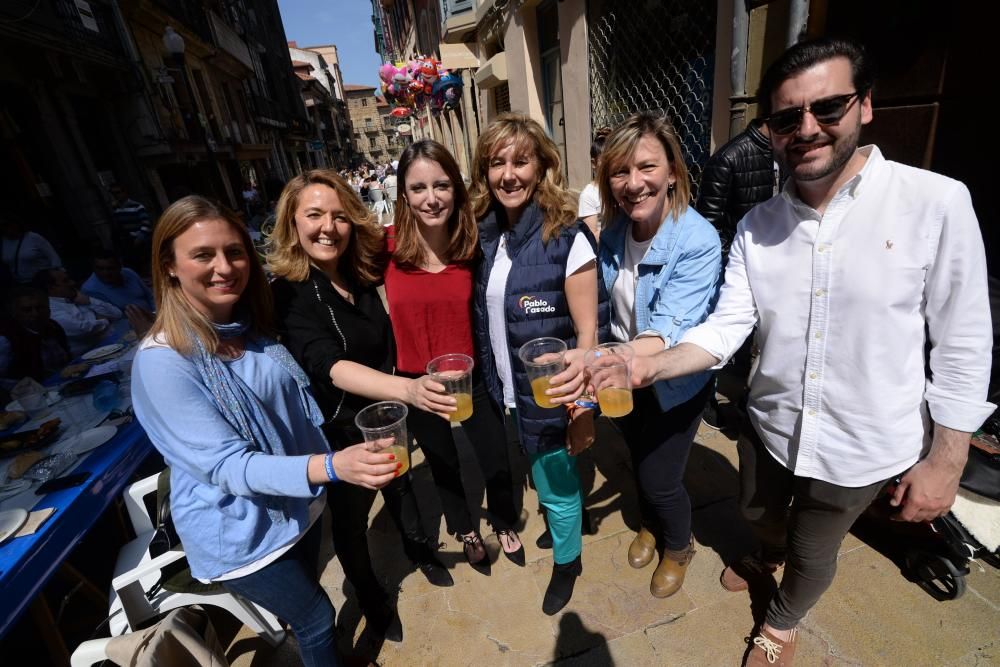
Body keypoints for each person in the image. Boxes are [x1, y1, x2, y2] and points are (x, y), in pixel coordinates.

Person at [627, 37, 993, 666]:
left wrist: (947, 460)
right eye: (786, 117)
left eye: (827, 108)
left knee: (815, 550)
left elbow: (964, 339)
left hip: (864, 445)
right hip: (770, 428)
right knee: (758, 516)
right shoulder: (758, 225)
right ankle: (767, 551)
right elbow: (726, 327)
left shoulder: (935, 202)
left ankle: (782, 621)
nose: (807, 129)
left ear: (865, 105)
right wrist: (650, 362)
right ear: (768, 129)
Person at [130, 195, 398, 667]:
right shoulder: (164, 361)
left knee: (310, 600)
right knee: (316, 618)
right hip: (240, 529)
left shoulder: (247, 325)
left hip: (297, 505)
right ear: (169, 265)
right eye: (203, 255)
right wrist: (333, 464)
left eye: (234, 252)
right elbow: (225, 464)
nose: (224, 267)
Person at [267, 170, 452, 644]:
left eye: (339, 216)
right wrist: (407, 391)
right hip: (341, 428)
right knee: (350, 522)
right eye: (314, 215)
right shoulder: (289, 291)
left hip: (387, 412)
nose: (328, 227)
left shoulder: (358, 271)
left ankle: (420, 550)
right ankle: (370, 596)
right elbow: (328, 365)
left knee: (403, 484)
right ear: (292, 222)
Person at [469, 113, 606, 615]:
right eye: (497, 162)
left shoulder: (567, 237)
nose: (508, 174)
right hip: (507, 393)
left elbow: (592, 333)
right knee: (546, 479)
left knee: (559, 485)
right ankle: (561, 529)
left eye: (521, 161)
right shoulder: (485, 237)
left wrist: (584, 407)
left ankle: (569, 563)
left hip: (555, 394)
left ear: (542, 166)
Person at [596, 112, 721, 599]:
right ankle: (649, 523)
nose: (634, 183)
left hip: (673, 380)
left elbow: (667, 326)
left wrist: (614, 362)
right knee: (634, 451)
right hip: (625, 378)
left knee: (659, 474)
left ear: (672, 171)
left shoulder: (697, 240)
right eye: (620, 172)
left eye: (646, 167)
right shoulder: (613, 233)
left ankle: (678, 545)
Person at [385, 140, 524, 569]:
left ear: (456, 189)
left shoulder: (472, 244)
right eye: (419, 188)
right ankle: (464, 527)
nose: (431, 198)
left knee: (495, 458)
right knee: (444, 464)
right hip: (418, 383)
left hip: (471, 376)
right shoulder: (384, 246)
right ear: (404, 195)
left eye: (441, 185)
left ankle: (503, 519)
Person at [695, 117, 780, 429]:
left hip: (776, 264)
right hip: (735, 268)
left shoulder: (786, 153)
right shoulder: (728, 159)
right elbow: (708, 225)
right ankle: (708, 405)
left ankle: (747, 400)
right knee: (727, 340)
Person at [35, 267, 122, 356]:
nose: (73, 283)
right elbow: (81, 329)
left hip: (113, 339)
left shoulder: (77, 297)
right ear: (51, 288)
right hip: (90, 353)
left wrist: (89, 300)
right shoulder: (51, 308)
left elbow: (117, 313)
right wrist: (106, 321)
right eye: (66, 281)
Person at [0, 286, 70, 384]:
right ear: (15, 313)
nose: (35, 313)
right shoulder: (7, 340)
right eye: (27, 310)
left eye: (40, 308)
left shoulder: (53, 327)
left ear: (49, 308)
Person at [82, 250, 156, 312]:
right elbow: (110, 319)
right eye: (100, 269)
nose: (105, 273)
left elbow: (149, 296)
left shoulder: (129, 273)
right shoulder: (90, 290)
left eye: (110, 268)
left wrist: (156, 313)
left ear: (119, 266)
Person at [1, 216, 61, 285]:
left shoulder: (33, 237)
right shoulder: (4, 242)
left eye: (7, 225)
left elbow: (53, 256)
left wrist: (57, 274)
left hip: (42, 280)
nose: (6, 228)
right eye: (3, 226)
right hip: (21, 282)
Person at [577, 127, 611, 238]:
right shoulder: (588, 195)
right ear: (593, 163)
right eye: (605, 161)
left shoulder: (620, 187)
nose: (609, 166)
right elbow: (592, 235)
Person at [109, 185, 152, 272]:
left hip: (139, 240)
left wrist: (140, 238)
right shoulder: (116, 208)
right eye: (113, 193)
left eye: (118, 192)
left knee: (145, 265)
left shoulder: (137, 206)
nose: (116, 195)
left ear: (125, 193)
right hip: (126, 241)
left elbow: (146, 224)